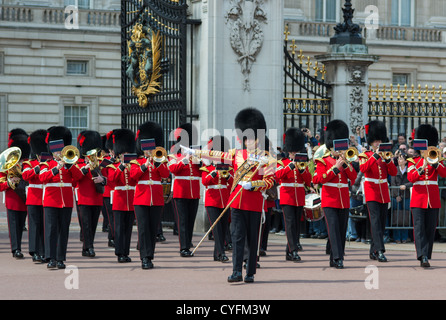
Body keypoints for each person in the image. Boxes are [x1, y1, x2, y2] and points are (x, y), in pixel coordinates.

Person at [182, 108, 275, 283]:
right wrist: (196, 152)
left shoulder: (267, 158)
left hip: (254, 203)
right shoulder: (236, 154)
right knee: (237, 237)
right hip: (237, 203)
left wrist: (253, 185)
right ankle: (236, 271)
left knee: (252, 239)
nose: (248, 142)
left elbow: (270, 182)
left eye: (252, 138)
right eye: (246, 138)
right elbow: (217, 155)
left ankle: (250, 272)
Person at [313, 120, 357, 269]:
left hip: (343, 199)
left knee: (341, 229)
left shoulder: (345, 160)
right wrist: (335, 169)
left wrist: (345, 164)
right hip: (329, 199)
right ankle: (338, 258)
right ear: (331, 146)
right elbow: (317, 179)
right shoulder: (323, 161)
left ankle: (335, 257)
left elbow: (353, 177)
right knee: (333, 229)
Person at [130, 121, 170, 269]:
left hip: (157, 199)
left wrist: (157, 163)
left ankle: (150, 255)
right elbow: (133, 176)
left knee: (153, 229)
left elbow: (166, 175)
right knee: (143, 228)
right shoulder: (136, 161)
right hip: (141, 198)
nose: (149, 151)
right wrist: (144, 165)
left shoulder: (160, 160)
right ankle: (144, 258)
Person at [407, 124, 446, 267]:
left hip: (433, 199)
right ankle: (422, 256)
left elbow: (444, 173)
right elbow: (411, 178)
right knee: (419, 228)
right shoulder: (413, 161)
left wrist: (434, 163)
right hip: (418, 198)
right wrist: (422, 166)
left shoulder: (436, 159)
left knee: (430, 228)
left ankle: (427, 254)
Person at [359, 120, 397, 262]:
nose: (377, 143)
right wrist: (375, 156)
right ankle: (380, 250)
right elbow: (363, 169)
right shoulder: (365, 155)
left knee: (381, 223)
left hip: (383, 192)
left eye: (379, 141)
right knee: (375, 222)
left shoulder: (386, 155)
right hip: (371, 192)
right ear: (371, 142)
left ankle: (373, 250)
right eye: (375, 141)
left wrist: (388, 161)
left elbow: (393, 173)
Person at [39, 126, 76, 269]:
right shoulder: (46, 164)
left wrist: (69, 166)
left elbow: (78, 177)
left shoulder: (69, 165)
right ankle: (51, 258)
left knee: (63, 231)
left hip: (66, 202)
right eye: (56, 151)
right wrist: (56, 168)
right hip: (50, 201)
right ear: (52, 152)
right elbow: (42, 177)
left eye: (60, 151)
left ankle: (61, 258)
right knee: (51, 230)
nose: (58, 153)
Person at [275, 127, 312, 262]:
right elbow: (277, 176)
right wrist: (290, 166)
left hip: (299, 197)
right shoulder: (283, 163)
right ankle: (294, 250)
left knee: (296, 225)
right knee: (290, 225)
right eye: (293, 151)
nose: (295, 153)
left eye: (296, 151)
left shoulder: (303, 164)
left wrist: (302, 171)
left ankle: (289, 251)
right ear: (288, 151)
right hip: (287, 197)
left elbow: (308, 181)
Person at [168, 123, 202, 258]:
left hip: (194, 191)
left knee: (190, 220)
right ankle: (183, 247)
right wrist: (185, 161)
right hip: (180, 191)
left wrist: (200, 161)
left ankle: (188, 242)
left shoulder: (195, 153)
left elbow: (200, 173)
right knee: (182, 220)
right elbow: (173, 170)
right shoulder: (174, 154)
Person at [70, 130, 105, 258]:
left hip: (96, 196)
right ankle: (89, 247)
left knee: (94, 224)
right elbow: (74, 180)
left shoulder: (100, 163)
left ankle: (87, 247)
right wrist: (85, 168)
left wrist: (103, 179)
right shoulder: (78, 163)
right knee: (85, 224)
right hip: (83, 197)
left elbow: (107, 178)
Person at [200, 135, 233, 263]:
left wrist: (228, 175)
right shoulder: (206, 168)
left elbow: (232, 182)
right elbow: (205, 182)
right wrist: (214, 171)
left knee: (223, 228)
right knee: (217, 228)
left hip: (224, 200)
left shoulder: (227, 168)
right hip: (212, 201)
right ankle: (221, 253)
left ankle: (217, 254)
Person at [107, 128, 137, 263]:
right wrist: (121, 167)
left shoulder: (133, 165)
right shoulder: (113, 166)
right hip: (119, 199)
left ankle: (126, 252)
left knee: (128, 228)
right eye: (124, 152)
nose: (126, 154)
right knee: (119, 228)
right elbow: (111, 180)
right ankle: (119, 252)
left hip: (131, 199)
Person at [0, 129, 30, 260]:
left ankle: (19, 247)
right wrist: (9, 182)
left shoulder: (27, 164)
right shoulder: (7, 165)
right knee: (13, 226)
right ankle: (16, 249)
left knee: (20, 225)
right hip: (12, 198)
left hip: (25, 198)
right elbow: (1, 185)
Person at [21, 129, 47, 263]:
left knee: (44, 226)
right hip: (33, 198)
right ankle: (34, 251)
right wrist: (38, 168)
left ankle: (43, 251)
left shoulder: (49, 162)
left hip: (47, 198)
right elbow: (25, 175)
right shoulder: (28, 163)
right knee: (35, 225)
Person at [390, 153, 412, 243]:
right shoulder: (394, 170)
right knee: (396, 216)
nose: (399, 160)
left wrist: (406, 186)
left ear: (406, 161)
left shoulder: (409, 170)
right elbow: (393, 183)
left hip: (406, 195)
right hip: (396, 196)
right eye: (399, 159)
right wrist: (396, 195)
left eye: (401, 159)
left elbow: (412, 181)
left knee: (406, 216)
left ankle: (404, 237)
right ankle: (397, 237)